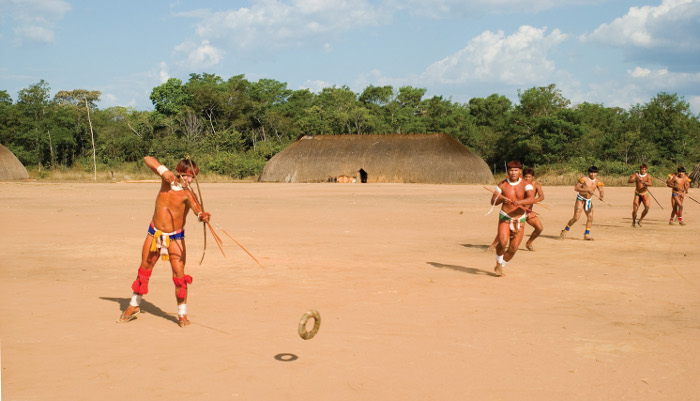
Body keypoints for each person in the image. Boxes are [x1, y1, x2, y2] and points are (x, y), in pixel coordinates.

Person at [117, 156, 211, 328]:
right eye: (187, 175)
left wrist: (202, 216)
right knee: (144, 270)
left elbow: (198, 210)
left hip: (175, 238)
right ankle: (133, 305)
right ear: (179, 172)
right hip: (154, 234)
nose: (189, 180)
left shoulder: (189, 193)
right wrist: (163, 170)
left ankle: (182, 315)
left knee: (179, 277)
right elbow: (147, 159)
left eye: (193, 177)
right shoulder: (167, 181)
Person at [489, 161, 536, 277]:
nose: (513, 172)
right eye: (511, 170)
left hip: (520, 218)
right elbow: (493, 201)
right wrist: (501, 199)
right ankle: (498, 263)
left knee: (513, 248)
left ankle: (501, 263)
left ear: (520, 171)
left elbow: (531, 199)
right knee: (503, 242)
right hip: (505, 216)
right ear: (507, 172)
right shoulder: (502, 184)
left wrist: (519, 202)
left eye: (516, 170)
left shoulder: (526, 184)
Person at [488, 167, 544, 251]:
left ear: (533, 177)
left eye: (529, 177)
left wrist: (533, 200)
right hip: (516, 211)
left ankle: (529, 243)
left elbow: (541, 196)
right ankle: (493, 245)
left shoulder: (536, 185)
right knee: (505, 229)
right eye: (525, 176)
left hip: (527, 211)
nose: (527, 178)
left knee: (539, 228)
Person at [560, 166, 605, 241]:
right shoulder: (584, 179)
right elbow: (576, 188)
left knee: (590, 217)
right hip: (580, 199)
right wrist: (586, 190)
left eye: (594, 173)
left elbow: (601, 189)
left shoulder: (597, 181)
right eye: (591, 172)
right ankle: (565, 230)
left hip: (588, 200)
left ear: (596, 173)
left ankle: (586, 235)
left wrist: (601, 196)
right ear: (588, 172)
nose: (592, 174)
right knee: (576, 217)